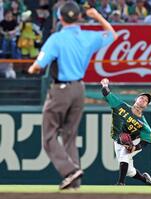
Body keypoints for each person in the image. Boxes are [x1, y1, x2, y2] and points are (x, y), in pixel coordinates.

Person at [27, 1, 118, 190]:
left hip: (61, 90)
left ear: (60, 18)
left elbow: (38, 66)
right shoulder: (87, 36)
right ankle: (74, 183)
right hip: (79, 90)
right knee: (69, 136)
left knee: (49, 136)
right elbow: (112, 34)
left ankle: (69, 171)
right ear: (78, 17)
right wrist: (97, 16)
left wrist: (31, 68)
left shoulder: (56, 38)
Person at [100, 78, 151, 186]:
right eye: (141, 98)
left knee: (124, 156)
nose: (143, 100)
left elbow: (149, 139)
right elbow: (107, 94)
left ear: (146, 106)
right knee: (129, 171)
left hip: (133, 141)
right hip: (118, 140)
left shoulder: (143, 123)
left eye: (146, 101)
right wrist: (104, 85)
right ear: (136, 99)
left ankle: (120, 183)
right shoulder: (121, 106)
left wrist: (135, 147)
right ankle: (146, 180)